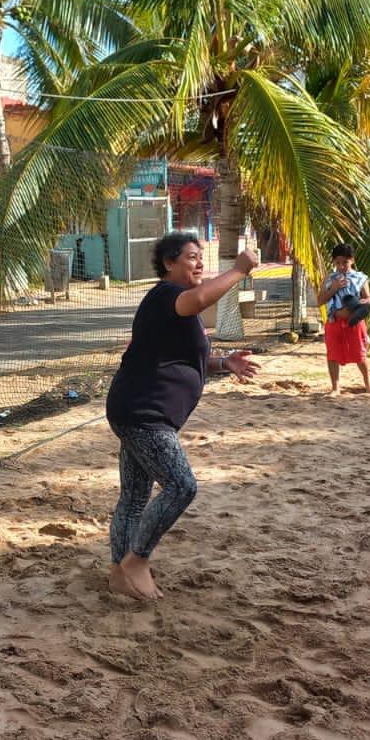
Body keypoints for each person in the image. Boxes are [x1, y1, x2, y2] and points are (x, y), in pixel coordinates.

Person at [104, 232, 261, 603]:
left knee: (134, 498)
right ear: (169, 264)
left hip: (134, 411)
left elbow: (178, 357)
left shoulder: (172, 306)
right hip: (145, 414)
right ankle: (137, 560)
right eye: (191, 257)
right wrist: (238, 270)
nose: (199, 263)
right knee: (182, 486)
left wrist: (224, 363)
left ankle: (118, 574)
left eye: (201, 256)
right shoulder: (166, 296)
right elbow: (201, 298)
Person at [316, 243, 370, 394]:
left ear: (352, 261)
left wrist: (365, 302)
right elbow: (321, 300)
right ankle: (335, 387)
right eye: (337, 263)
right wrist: (334, 287)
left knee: (359, 354)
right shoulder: (329, 279)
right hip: (334, 320)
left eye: (345, 262)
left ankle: (368, 381)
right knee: (332, 354)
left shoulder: (360, 278)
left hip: (354, 322)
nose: (341, 266)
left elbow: (368, 298)